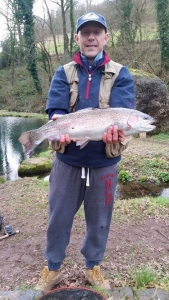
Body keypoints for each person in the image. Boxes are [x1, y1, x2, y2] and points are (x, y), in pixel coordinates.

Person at [35, 11, 135, 293]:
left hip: (104, 163)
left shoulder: (121, 73)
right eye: (85, 32)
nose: (91, 37)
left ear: (105, 37)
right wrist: (56, 122)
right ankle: (52, 268)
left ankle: (93, 266)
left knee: (100, 220)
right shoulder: (63, 72)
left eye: (96, 32)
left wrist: (120, 130)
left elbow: (121, 110)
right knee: (58, 218)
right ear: (77, 37)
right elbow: (55, 108)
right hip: (68, 161)